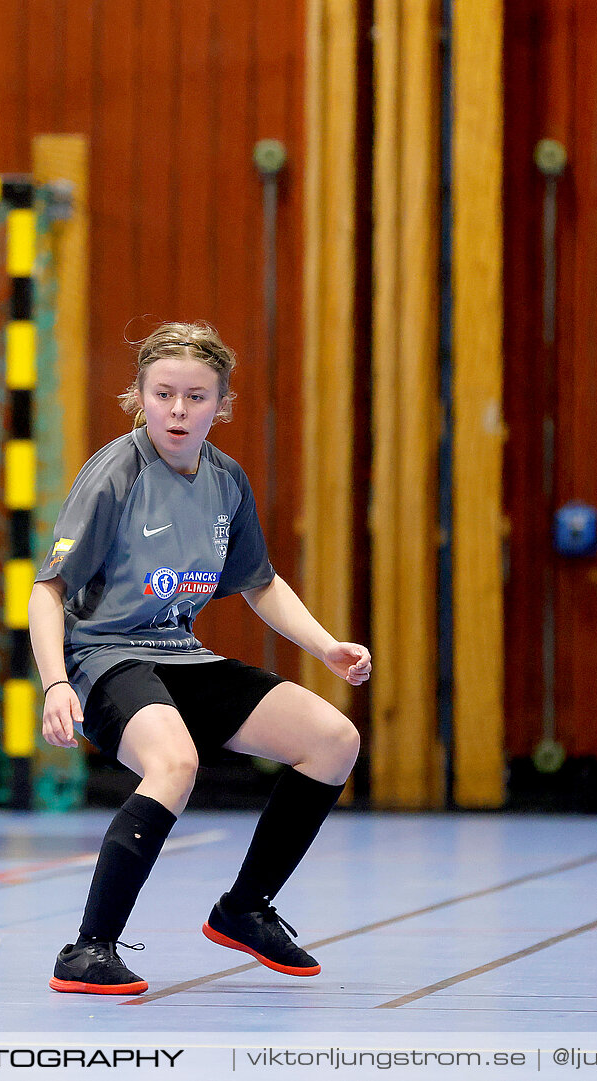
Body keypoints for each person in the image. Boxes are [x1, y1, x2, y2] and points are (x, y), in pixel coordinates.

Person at [32, 322, 370, 995]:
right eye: (163, 394)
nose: (179, 410)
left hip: (181, 656)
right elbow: (50, 588)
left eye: (195, 396)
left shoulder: (225, 480)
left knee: (333, 739)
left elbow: (260, 581)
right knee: (174, 764)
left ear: (222, 404)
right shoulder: (116, 474)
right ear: (139, 398)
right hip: (106, 658)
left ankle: (244, 907)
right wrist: (54, 683)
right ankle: (88, 948)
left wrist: (325, 645)